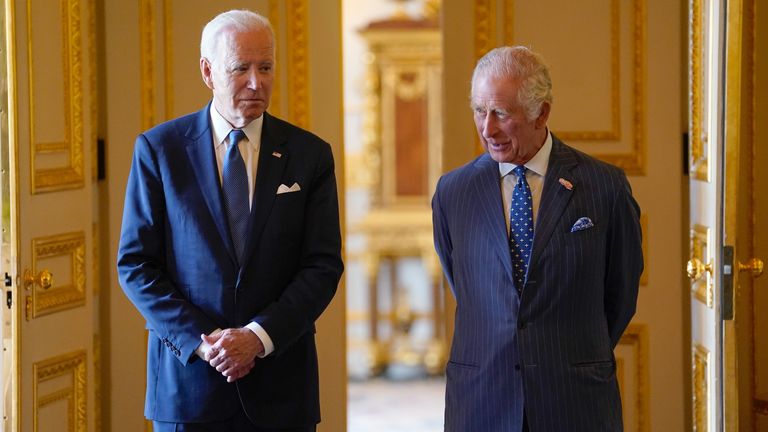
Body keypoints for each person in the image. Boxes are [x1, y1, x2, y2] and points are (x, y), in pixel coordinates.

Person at [117, 9, 343, 432]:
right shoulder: (160, 150)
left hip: (280, 390)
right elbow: (136, 266)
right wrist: (209, 346)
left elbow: (322, 265)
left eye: (266, 67)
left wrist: (257, 338)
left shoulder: (310, 154)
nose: (256, 82)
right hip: (188, 389)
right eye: (241, 68)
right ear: (208, 71)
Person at [432, 46, 643, 431]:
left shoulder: (604, 187)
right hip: (482, 400)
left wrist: (565, 357)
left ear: (541, 112)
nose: (487, 128)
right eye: (480, 110)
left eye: (502, 113)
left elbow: (620, 296)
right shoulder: (453, 192)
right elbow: (465, 287)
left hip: (574, 400)